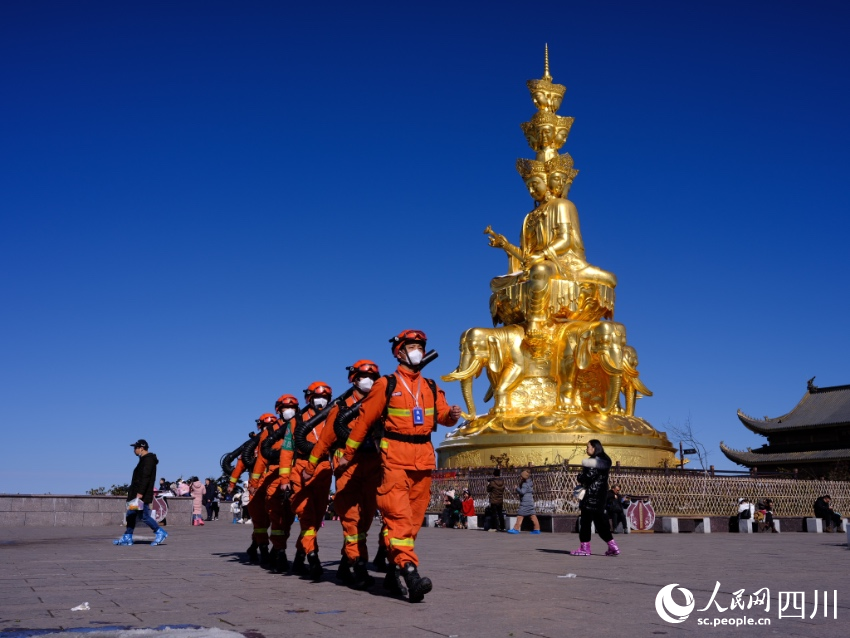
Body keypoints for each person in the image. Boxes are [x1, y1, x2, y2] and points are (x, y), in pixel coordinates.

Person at [336, 329, 462, 602]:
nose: (418, 350)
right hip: (394, 459)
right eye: (413, 346)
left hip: (424, 460)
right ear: (400, 352)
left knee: (413, 522)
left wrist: (451, 416)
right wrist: (347, 453)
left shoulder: (430, 386)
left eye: (421, 346)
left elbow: (440, 415)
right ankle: (410, 570)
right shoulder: (386, 384)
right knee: (399, 518)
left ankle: (394, 570)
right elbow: (364, 422)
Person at [301, 360, 383, 589]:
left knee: (366, 519)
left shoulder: (381, 403)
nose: (368, 381)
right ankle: (358, 564)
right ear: (354, 379)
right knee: (351, 519)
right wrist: (310, 467)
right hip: (347, 467)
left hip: (373, 465)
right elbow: (326, 439)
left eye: (373, 377)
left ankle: (346, 564)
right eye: (364, 376)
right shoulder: (341, 407)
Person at [279, 382, 335, 580]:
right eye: (318, 397)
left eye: (326, 397)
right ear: (308, 398)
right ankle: (313, 557)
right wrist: (285, 478)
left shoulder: (333, 416)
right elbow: (287, 451)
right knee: (306, 516)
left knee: (317, 517)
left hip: (323, 470)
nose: (322, 401)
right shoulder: (297, 420)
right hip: (300, 470)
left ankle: (299, 556)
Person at [113, 440, 167, 546]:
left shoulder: (148, 460)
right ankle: (128, 537)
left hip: (141, 494)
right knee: (131, 514)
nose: (134, 450)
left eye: (135, 448)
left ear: (141, 448)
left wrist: (140, 493)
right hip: (136, 493)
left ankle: (160, 532)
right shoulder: (143, 460)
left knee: (144, 516)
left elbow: (145, 478)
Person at [570, 439, 618, 556]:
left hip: (590, 496)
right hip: (601, 496)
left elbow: (588, 477)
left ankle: (585, 548)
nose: (587, 449)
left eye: (588, 447)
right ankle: (613, 546)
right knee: (600, 523)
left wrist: (580, 476)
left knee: (585, 522)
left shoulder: (592, 461)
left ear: (594, 448)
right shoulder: (606, 460)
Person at [508, 470, 540, 534]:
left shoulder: (525, 484)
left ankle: (516, 529)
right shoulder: (530, 483)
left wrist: (517, 488)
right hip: (530, 501)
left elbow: (522, 492)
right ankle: (537, 529)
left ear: (524, 477)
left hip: (525, 502)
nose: (520, 477)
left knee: (520, 515)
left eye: (521, 476)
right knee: (532, 515)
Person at [486, 468, 506, 532]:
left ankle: (495, 527)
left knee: (494, 514)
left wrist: (488, 484)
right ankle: (502, 527)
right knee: (500, 513)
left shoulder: (492, 482)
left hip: (493, 500)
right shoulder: (502, 482)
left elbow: (488, 490)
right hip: (500, 500)